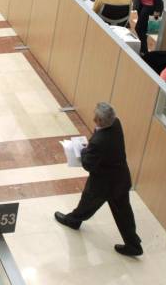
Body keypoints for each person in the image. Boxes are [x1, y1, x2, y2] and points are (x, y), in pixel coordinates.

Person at [54, 103, 142, 257]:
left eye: (97, 118)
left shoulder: (99, 141)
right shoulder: (116, 123)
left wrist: (83, 151)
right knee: (123, 213)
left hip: (103, 183)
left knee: (87, 202)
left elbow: (88, 164)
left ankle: (73, 220)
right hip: (120, 179)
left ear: (101, 121)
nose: (93, 119)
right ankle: (133, 244)